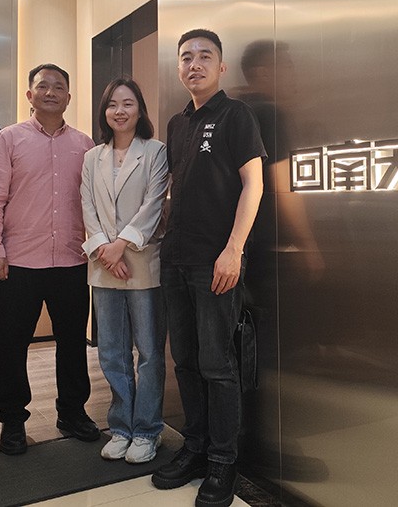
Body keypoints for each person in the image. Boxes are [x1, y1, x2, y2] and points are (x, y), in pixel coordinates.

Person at [151, 29, 266, 507]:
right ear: (179, 68)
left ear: (221, 67)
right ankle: (195, 448)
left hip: (216, 261)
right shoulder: (177, 124)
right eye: (186, 57)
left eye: (204, 56)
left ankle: (223, 461)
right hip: (175, 258)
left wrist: (234, 249)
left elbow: (254, 184)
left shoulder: (236, 115)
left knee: (218, 365)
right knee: (186, 362)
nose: (194, 64)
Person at [0, 63, 97, 456]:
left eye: (58, 87)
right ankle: (12, 419)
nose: (50, 92)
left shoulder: (84, 144)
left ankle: (72, 412)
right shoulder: (8, 139)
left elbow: (93, 201)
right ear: (29, 95)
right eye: (43, 86)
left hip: (71, 260)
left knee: (73, 342)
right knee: (13, 345)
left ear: (68, 97)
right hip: (19, 261)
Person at [80, 78, 168, 464]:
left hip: (141, 262)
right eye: (112, 104)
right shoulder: (91, 156)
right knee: (112, 352)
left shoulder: (155, 151)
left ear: (139, 110)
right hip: (104, 266)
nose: (120, 110)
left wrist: (121, 246)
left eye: (128, 103)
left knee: (148, 352)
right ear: (104, 111)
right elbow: (86, 204)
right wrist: (104, 249)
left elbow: (154, 203)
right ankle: (120, 426)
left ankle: (147, 430)